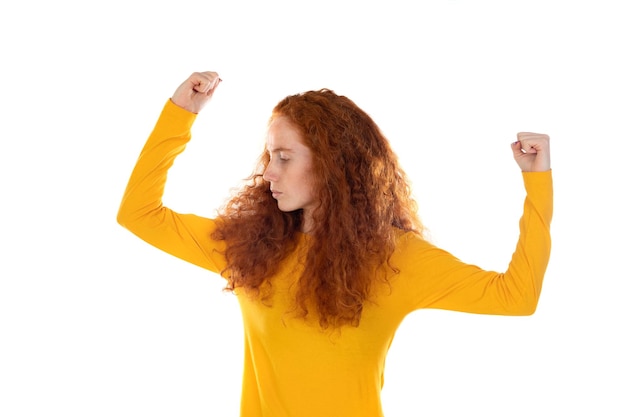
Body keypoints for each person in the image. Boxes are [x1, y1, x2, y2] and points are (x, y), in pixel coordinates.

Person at [117, 71, 552, 417]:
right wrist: (180, 113)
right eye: (269, 156)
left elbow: (516, 296)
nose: (269, 172)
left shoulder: (397, 260)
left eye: (285, 157)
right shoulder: (251, 248)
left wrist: (537, 182)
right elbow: (138, 213)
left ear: (332, 166)